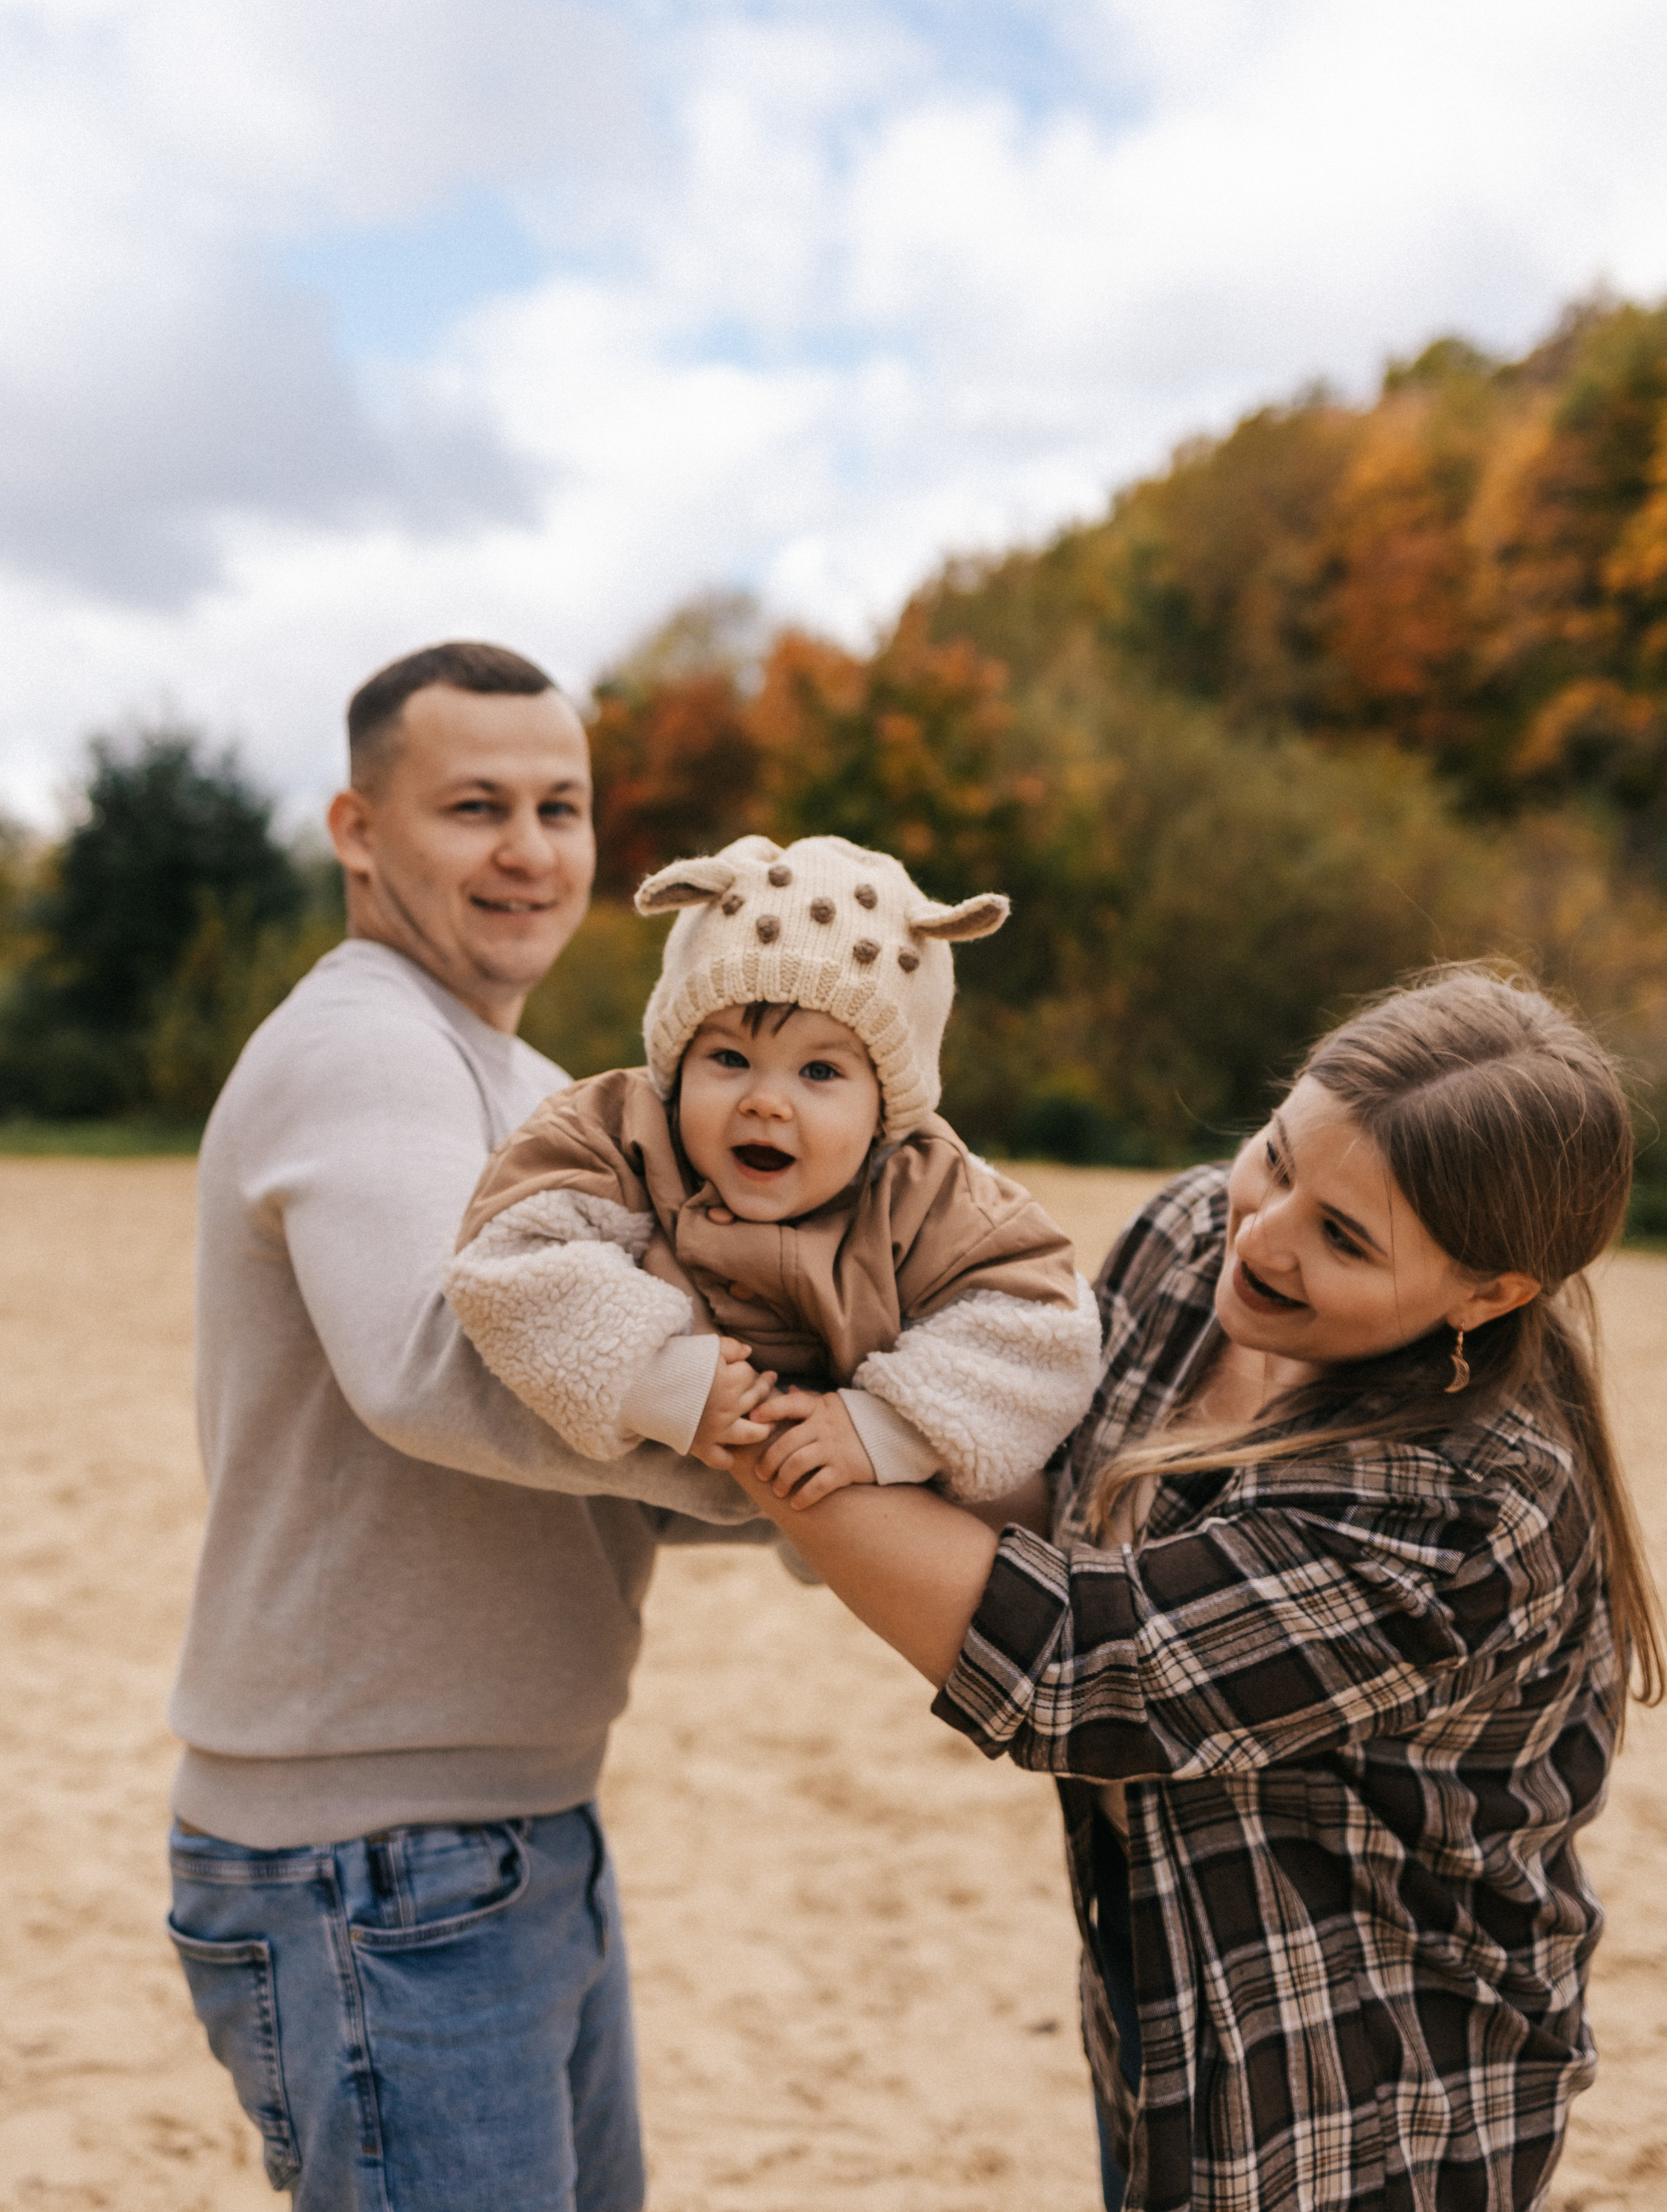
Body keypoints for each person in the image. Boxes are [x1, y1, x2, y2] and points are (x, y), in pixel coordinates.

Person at [727, 967, 1665, 2211]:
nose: (1263, 1233)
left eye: (1344, 1237)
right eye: (1276, 1158)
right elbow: (1053, 1491)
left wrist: (747, 1430)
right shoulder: (1188, 1245)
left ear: (1489, 1296)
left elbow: (1086, 1667)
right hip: (1169, 1998)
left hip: (1375, 2085)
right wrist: (850, 1402)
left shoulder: (1467, 1498)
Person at [167, 642, 766, 2212]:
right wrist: (775, 1432)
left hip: (501, 1826)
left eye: (559, 805)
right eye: (475, 804)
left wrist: (860, 1463)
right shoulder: (367, 1043)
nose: (528, 848)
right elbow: (445, 1370)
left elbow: (608, 1460)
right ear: (357, 828)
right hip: (375, 1857)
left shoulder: (518, 1082)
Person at [445, 833, 1101, 1507]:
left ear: (886, 1107)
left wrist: (887, 1429)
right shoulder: (617, 1132)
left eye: (820, 1071)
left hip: (850, 1517)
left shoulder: (928, 1192)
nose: (764, 1101)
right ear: (676, 1063)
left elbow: (1044, 1337)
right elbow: (508, 1255)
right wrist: (662, 1377)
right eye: (728, 1058)